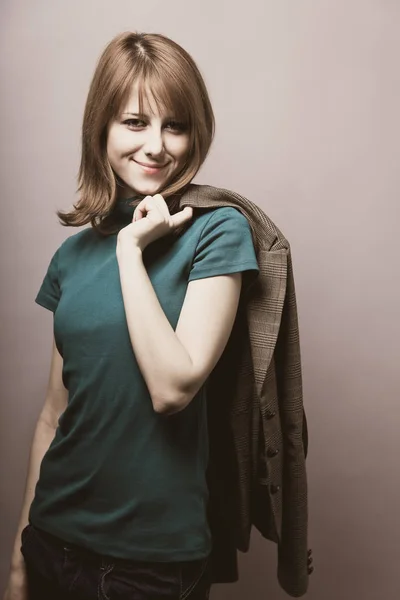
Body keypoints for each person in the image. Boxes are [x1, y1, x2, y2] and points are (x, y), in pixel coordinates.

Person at [3, 31, 259, 600]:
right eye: (135, 122)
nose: (157, 146)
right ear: (103, 128)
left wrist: (129, 252)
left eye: (175, 125)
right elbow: (53, 415)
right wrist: (19, 554)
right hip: (50, 540)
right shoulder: (71, 255)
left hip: (150, 567)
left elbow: (173, 387)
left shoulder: (218, 231)